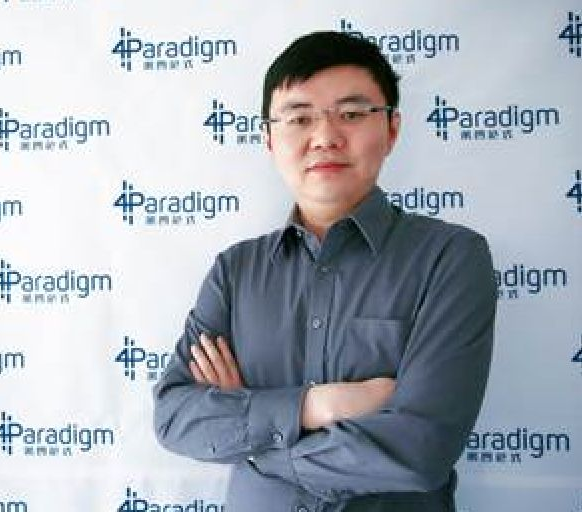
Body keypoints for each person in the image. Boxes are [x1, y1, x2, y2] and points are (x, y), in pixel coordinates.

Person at [153, 31, 496, 512]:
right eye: (299, 118)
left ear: (392, 129)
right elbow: (175, 417)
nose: (325, 137)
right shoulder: (235, 271)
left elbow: (419, 450)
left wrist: (252, 437)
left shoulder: (450, 257)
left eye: (352, 114)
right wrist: (316, 406)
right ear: (268, 138)